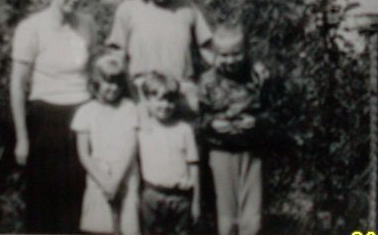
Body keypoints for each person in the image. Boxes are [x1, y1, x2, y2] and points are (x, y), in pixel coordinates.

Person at [10, 0, 95, 234]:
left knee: (78, 201)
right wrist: (22, 138)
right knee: (43, 204)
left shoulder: (87, 25)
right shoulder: (31, 28)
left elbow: (94, 72)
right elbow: (17, 85)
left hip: (81, 119)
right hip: (45, 121)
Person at [106, 0, 212, 108]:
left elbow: (209, 49)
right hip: (144, 96)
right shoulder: (128, 10)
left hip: (182, 94)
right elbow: (116, 56)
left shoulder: (187, 8)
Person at [197, 25, 270, 235]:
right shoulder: (207, 82)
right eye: (224, 55)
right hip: (221, 152)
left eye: (236, 53)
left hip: (252, 152)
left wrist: (257, 122)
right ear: (215, 54)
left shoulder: (258, 77)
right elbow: (200, 120)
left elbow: (272, 113)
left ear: (246, 51)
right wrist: (212, 124)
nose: (230, 60)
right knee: (227, 218)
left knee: (252, 220)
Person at [71, 51, 140, 235]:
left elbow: (131, 147)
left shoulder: (128, 108)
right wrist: (104, 181)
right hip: (99, 177)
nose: (114, 88)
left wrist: (116, 180)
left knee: (128, 227)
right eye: (108, 82)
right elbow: (84, 154)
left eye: (118, 83)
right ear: (96, 82)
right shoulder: (85, 111)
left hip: (125, 176)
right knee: (102, 228)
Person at [137, 71, 200, 235]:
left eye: (170, 100)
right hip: (152, 195)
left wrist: (196, 202)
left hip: (180, 197)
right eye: (159, 99)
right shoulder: (143, 129)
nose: (165, 105)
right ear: (148, 101)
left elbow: (193, 166)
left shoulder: (184, 129)